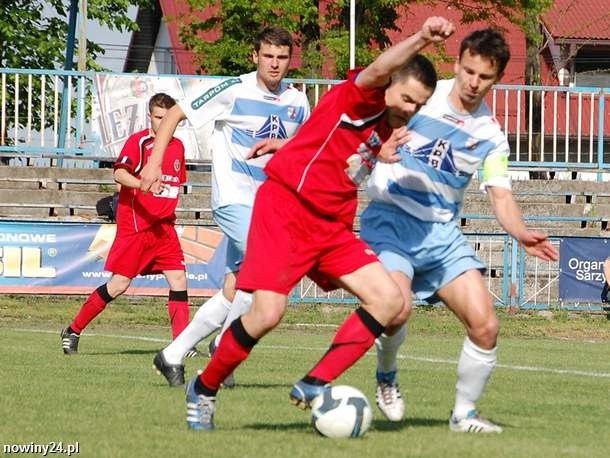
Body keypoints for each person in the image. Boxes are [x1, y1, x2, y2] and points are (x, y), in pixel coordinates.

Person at [141, 16, 456, 431]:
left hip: (330, 225)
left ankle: (314, 382)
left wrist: (301, 146)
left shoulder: (384, 124)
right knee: (267, 312)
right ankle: (205, 387)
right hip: (285, 209)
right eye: (406, 98)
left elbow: (333, 144)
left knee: (389, 301)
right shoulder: (363, 95)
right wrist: (419, 38)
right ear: (388, 85)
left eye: (419, 104)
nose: (410, 109)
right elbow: (379, 69)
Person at [359, 28, 560, 433]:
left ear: (497, 77)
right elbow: (370, 107)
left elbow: (501, 196)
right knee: (396, 309)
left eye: (483, 76)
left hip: (442, 235)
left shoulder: (491, 137)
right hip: (391, 220)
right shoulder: (423, 96)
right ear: (457, 63)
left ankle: (463, 415)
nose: (472, 82)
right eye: (468, 70)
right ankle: (386, 373)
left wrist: (520, 232)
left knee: (486, 324)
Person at [147, 26, 311, 387]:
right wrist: (155, 162)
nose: (274, 64)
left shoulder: (298, 102)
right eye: (268, 56)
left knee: (238, 287)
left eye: (282, 58)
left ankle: (172, 355)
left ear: (289, 61)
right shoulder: (234, 90)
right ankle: (224, 345)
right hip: (234, 198)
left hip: (271, 206)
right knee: (264, 266)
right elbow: (175, 113)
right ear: (255, 56)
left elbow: (305, 148)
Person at [61, 93, 190, 355]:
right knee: (119, 284)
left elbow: (174, 184)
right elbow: (119, 172)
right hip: (137, 226)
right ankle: (73, 330)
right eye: (158, 118)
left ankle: (182, 345)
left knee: (178, 279)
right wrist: (141, 183)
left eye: (168, 118)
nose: (163, 123)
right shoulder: (139, 142)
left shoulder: (177, 147)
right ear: (150, 116)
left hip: (163, 227)